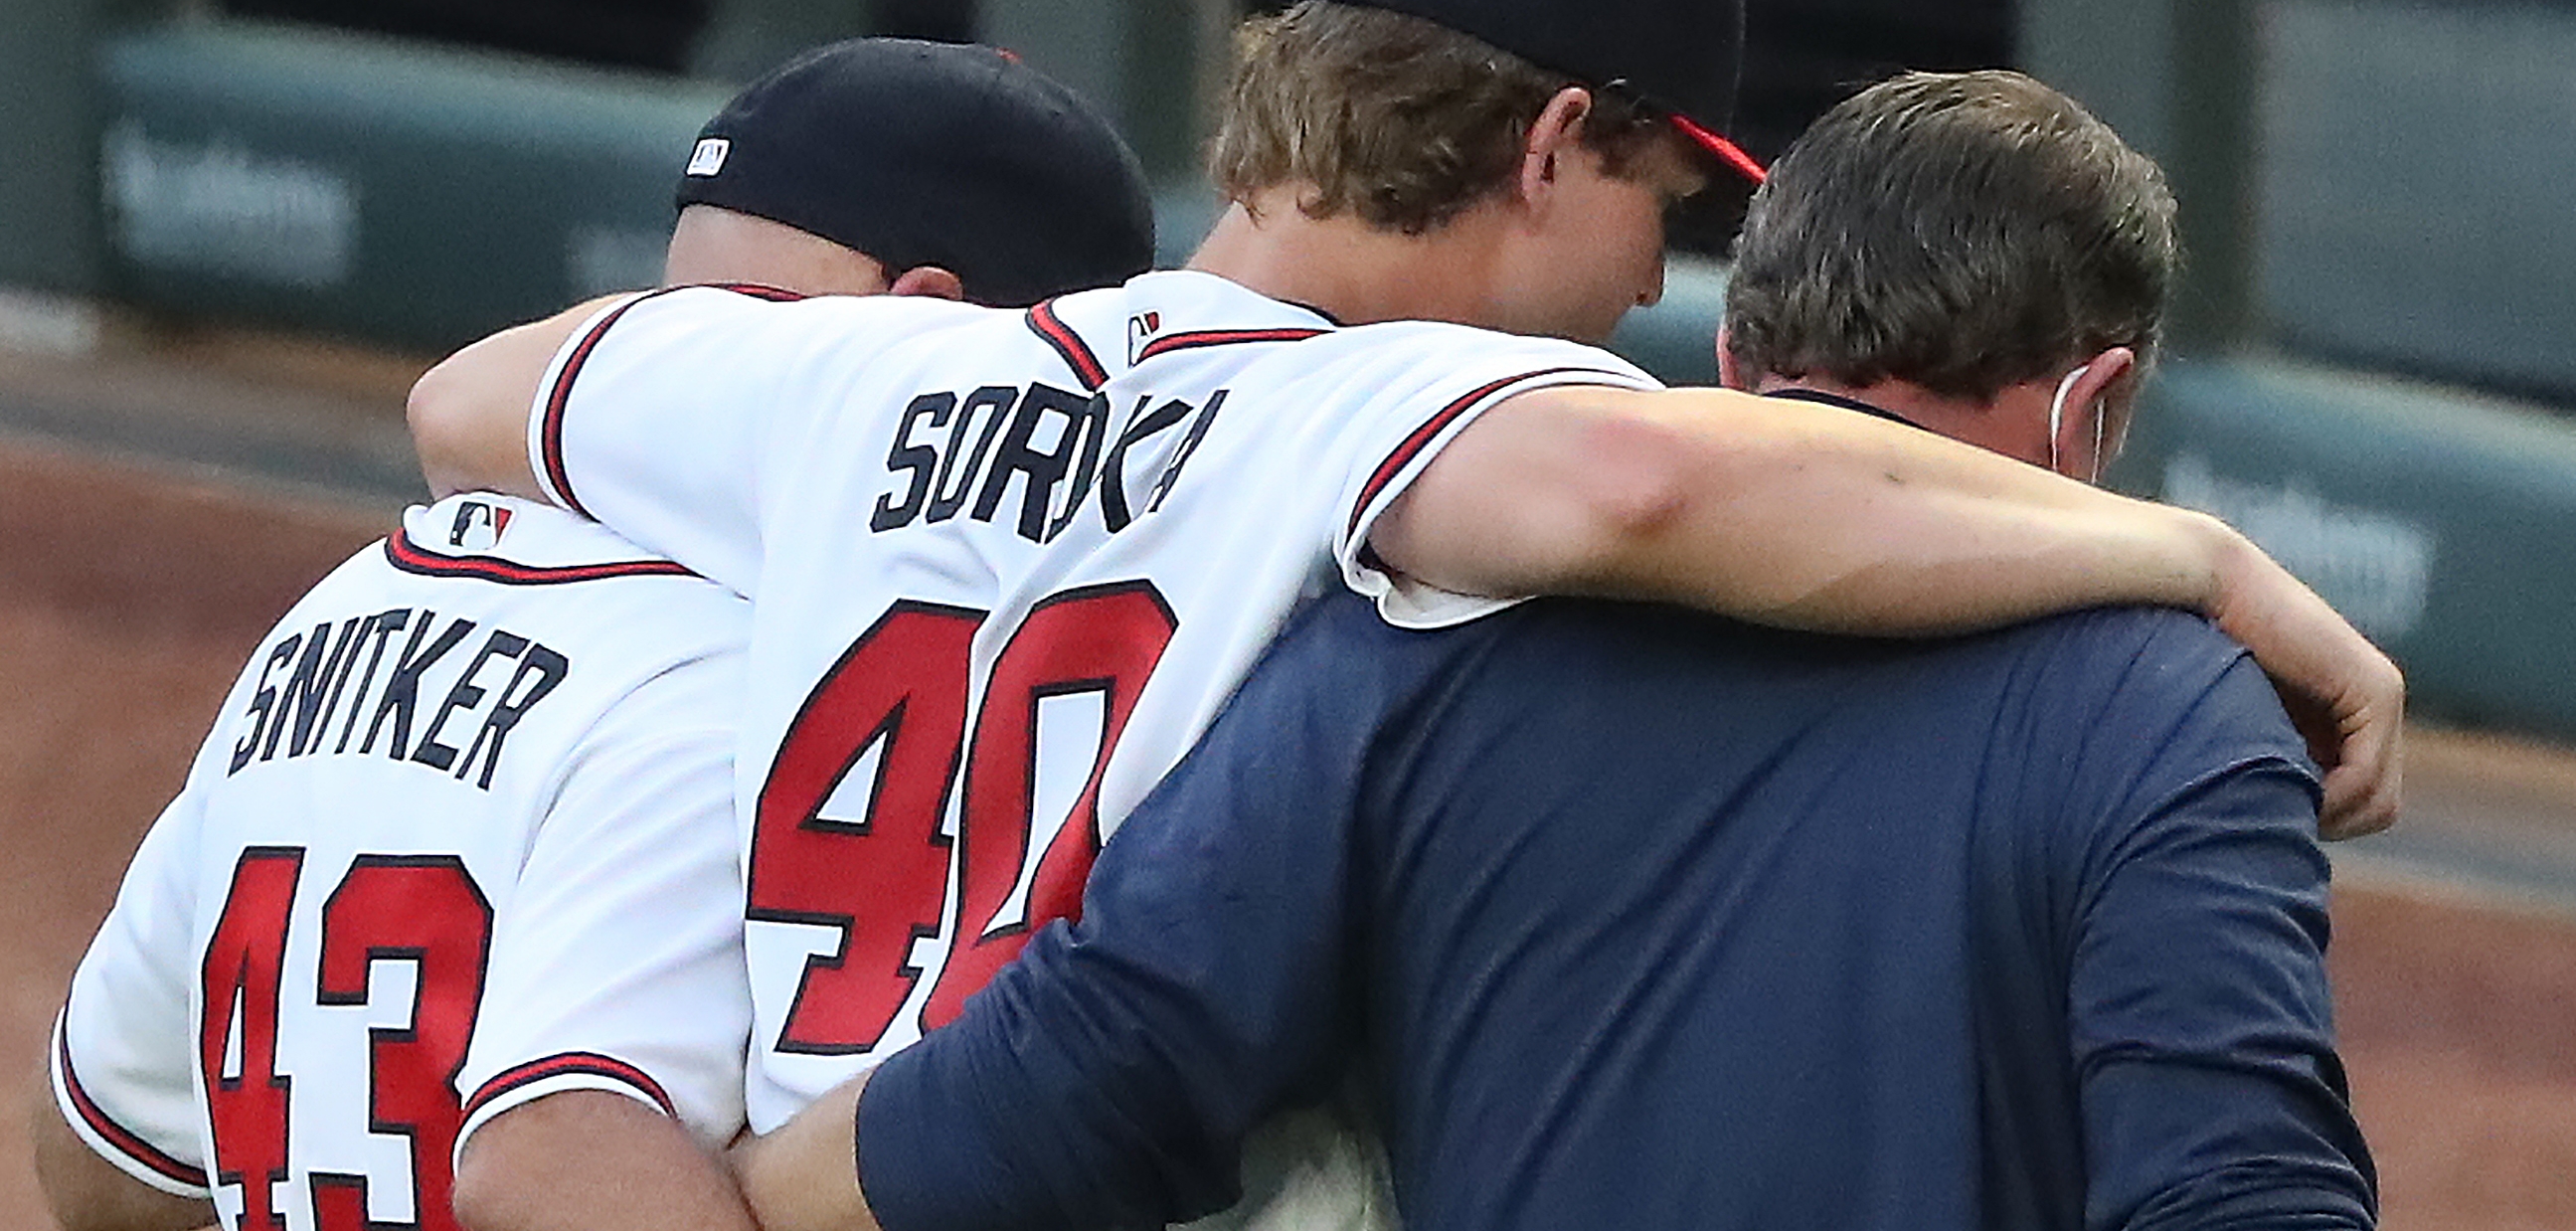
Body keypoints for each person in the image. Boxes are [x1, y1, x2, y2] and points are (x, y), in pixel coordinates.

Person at [402, 0, 2397, 1187]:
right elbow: (1640, 480)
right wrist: (2200, 556)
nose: (1646, 279)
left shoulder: (859, 372)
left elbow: (462, 395)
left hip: (801, 1149)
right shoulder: (1427, 402)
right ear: (1545, 143)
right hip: (1082, 1155)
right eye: (1656, 197)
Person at [739, 70, 2378, 1231]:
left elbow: (1093, 1076)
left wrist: (722, 1192)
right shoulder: (2172, 714)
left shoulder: (1421, 627)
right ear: (2092, 406)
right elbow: (2241, 1192)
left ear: (1735, 358)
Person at [30, 37, 1153, 1231]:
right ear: (926, 326)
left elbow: (105, 1155)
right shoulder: (764, 679)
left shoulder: (348, 608)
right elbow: (555, 1160)